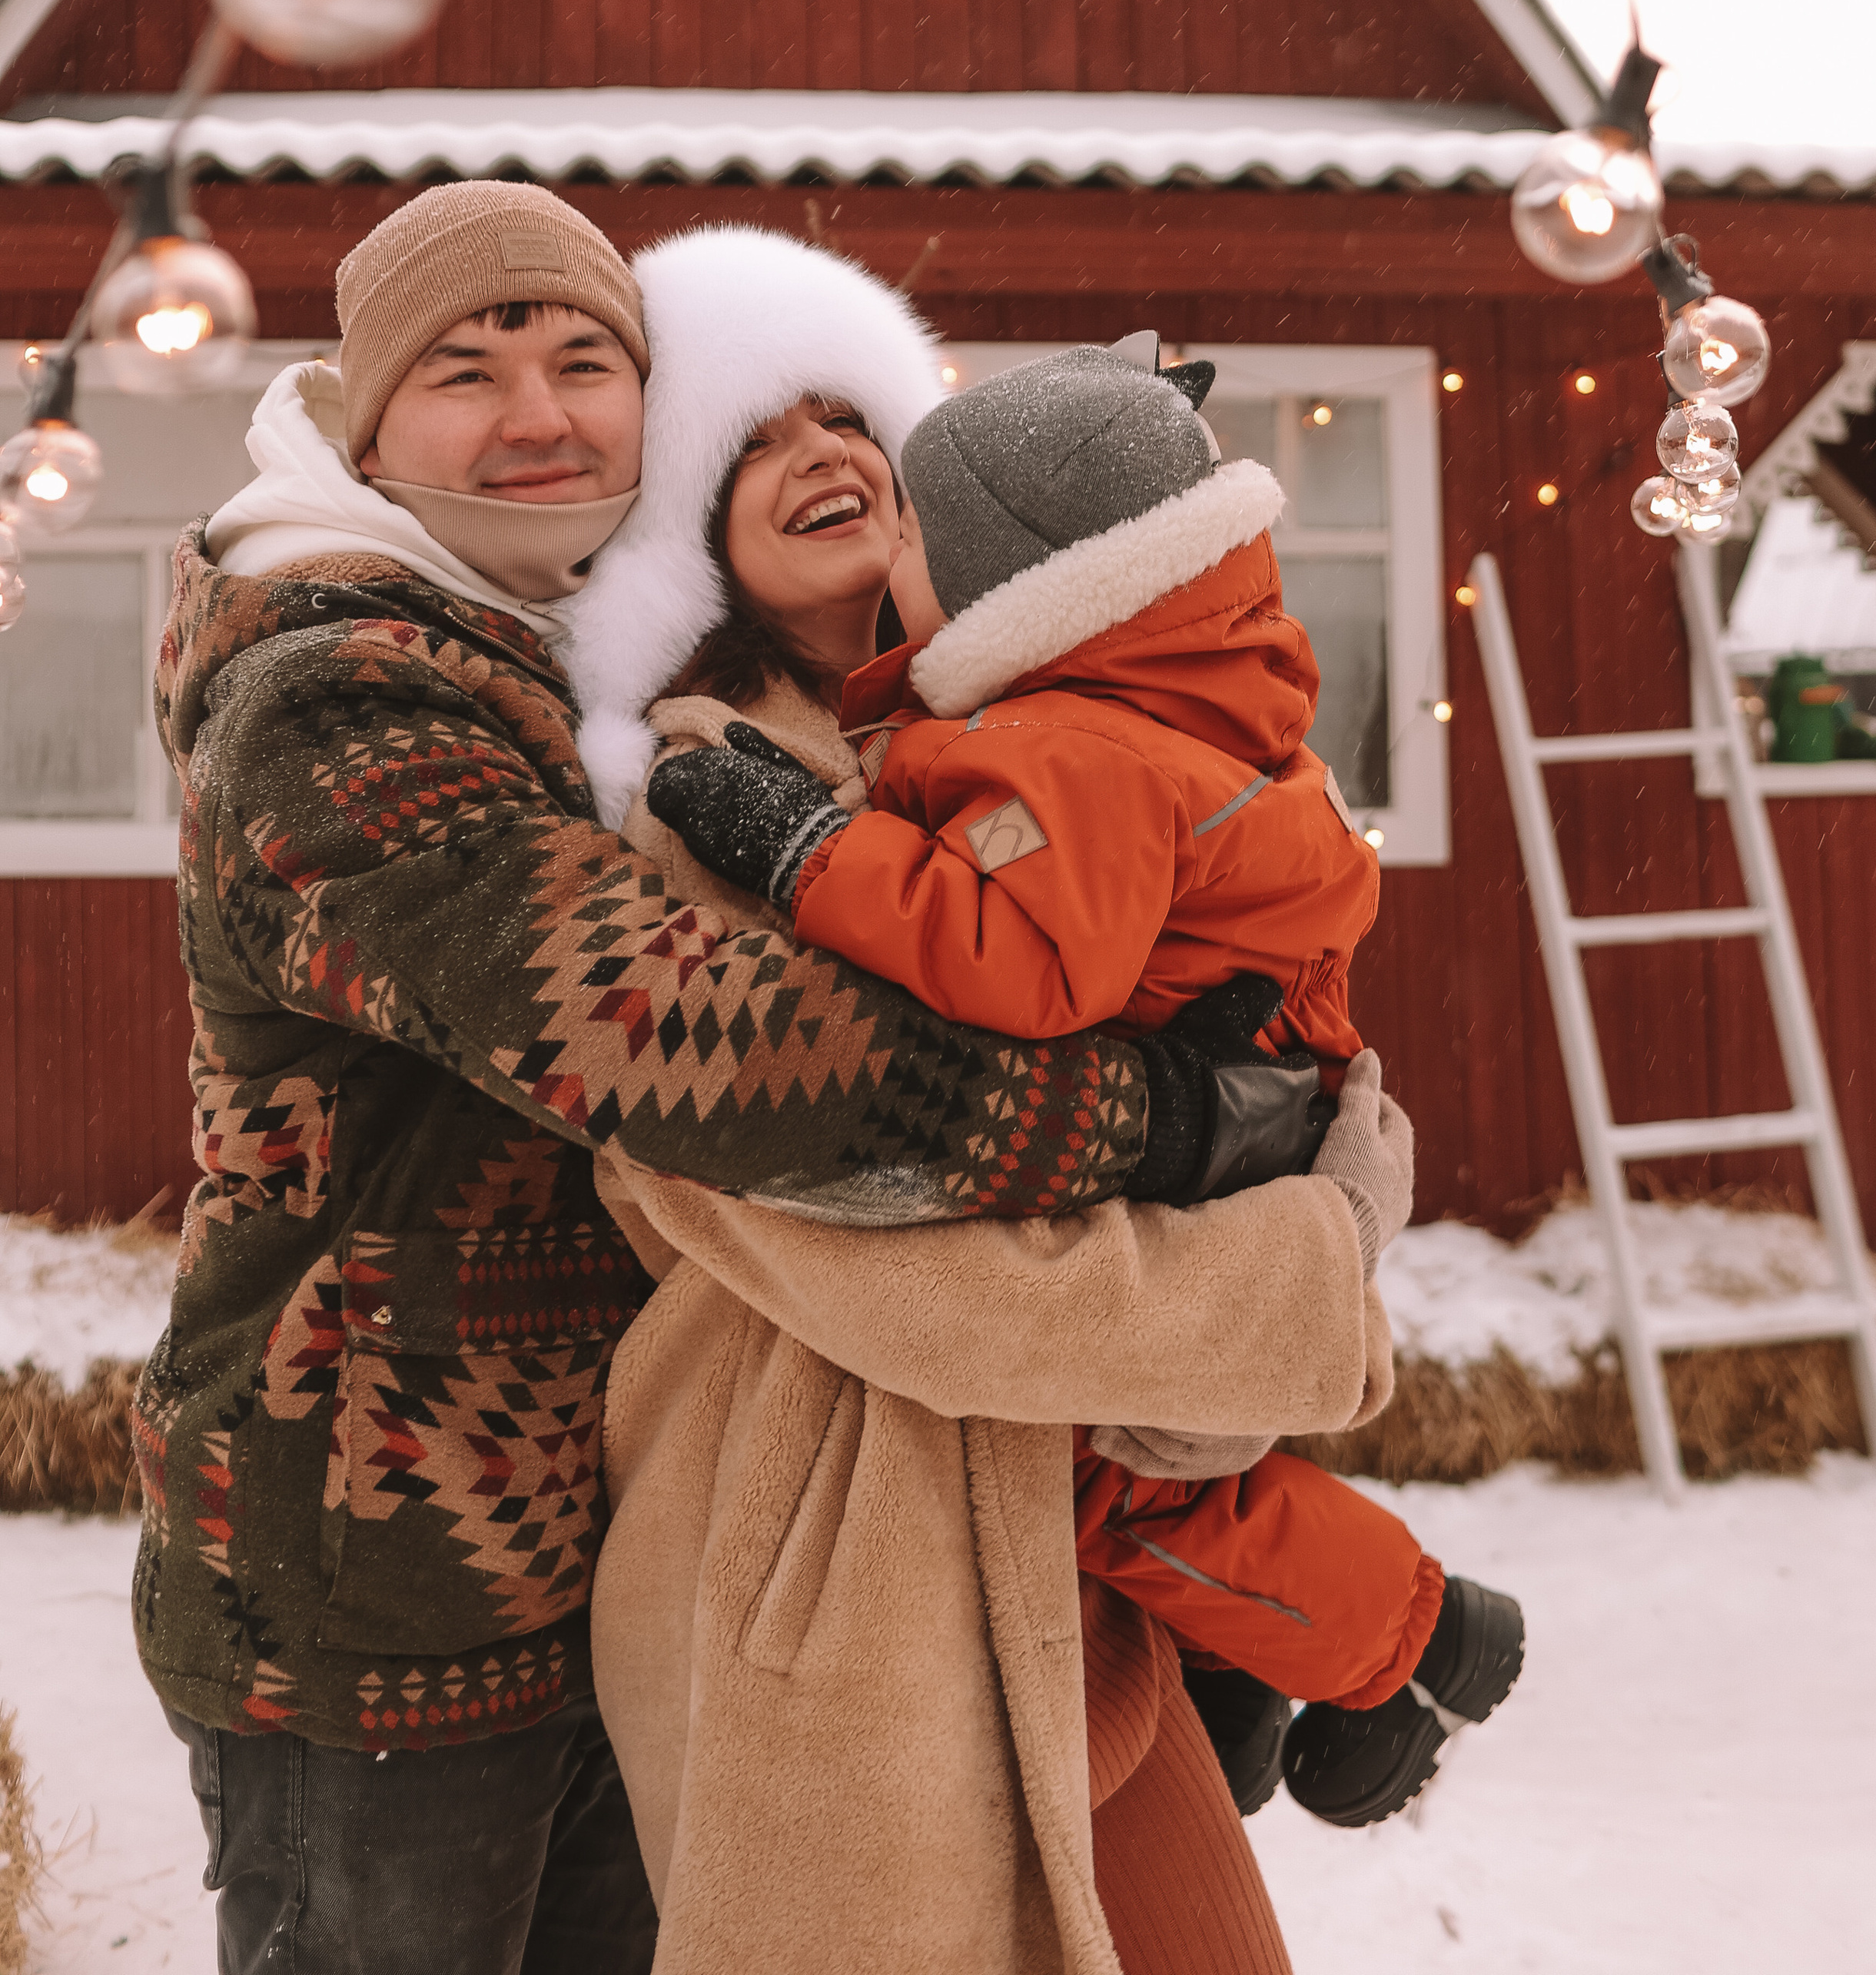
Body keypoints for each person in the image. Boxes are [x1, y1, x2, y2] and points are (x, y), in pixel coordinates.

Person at [138, 184, 1336, 1975]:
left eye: (582, 359)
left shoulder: (987, 736)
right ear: (367, 416)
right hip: (392, 1577)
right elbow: (705, 1065)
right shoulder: (365, 696)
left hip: (645, 1561)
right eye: (466, 370)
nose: (538, 412)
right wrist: (1170, 1128)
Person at [567, 224, 1418, 1975]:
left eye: (843, 418)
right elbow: (886, 1251)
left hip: (1059, 1553)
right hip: (834, 1556)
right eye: (746, 444)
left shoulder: (1050, 735)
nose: (817, 457)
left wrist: (1271, 1144)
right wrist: (1296, 1268)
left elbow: (1244, 1028)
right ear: (678, 529)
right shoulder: (694, 803)